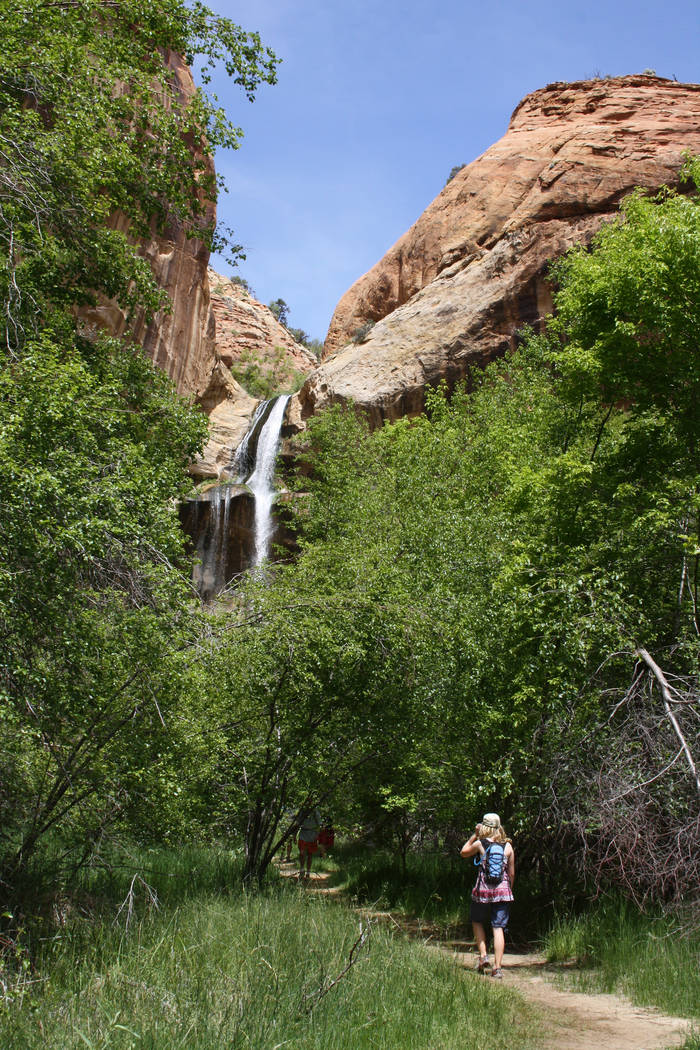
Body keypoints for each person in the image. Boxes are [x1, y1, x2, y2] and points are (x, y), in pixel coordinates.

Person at [460, 812, 515, 979]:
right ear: (499, 827)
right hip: (502, 891)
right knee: (498, 928)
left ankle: (483, 955)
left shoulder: (479, 844)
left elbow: (463, 852)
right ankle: (497, 968)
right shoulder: (508, 847)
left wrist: (474, 835)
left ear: (483, 826)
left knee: (477, 921)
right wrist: (509, 889)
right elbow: (511, 873)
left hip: (482, 891)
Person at [297, 805, 322, 878]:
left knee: (310, 854)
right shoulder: (302, 811)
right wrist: (294, 835)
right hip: (303, 833)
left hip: (312, 834)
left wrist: (318, 836)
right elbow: (297, 823)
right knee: (302, 852)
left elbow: (320, 824)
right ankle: (302, 869)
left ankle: (308, 871)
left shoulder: (315, 812)